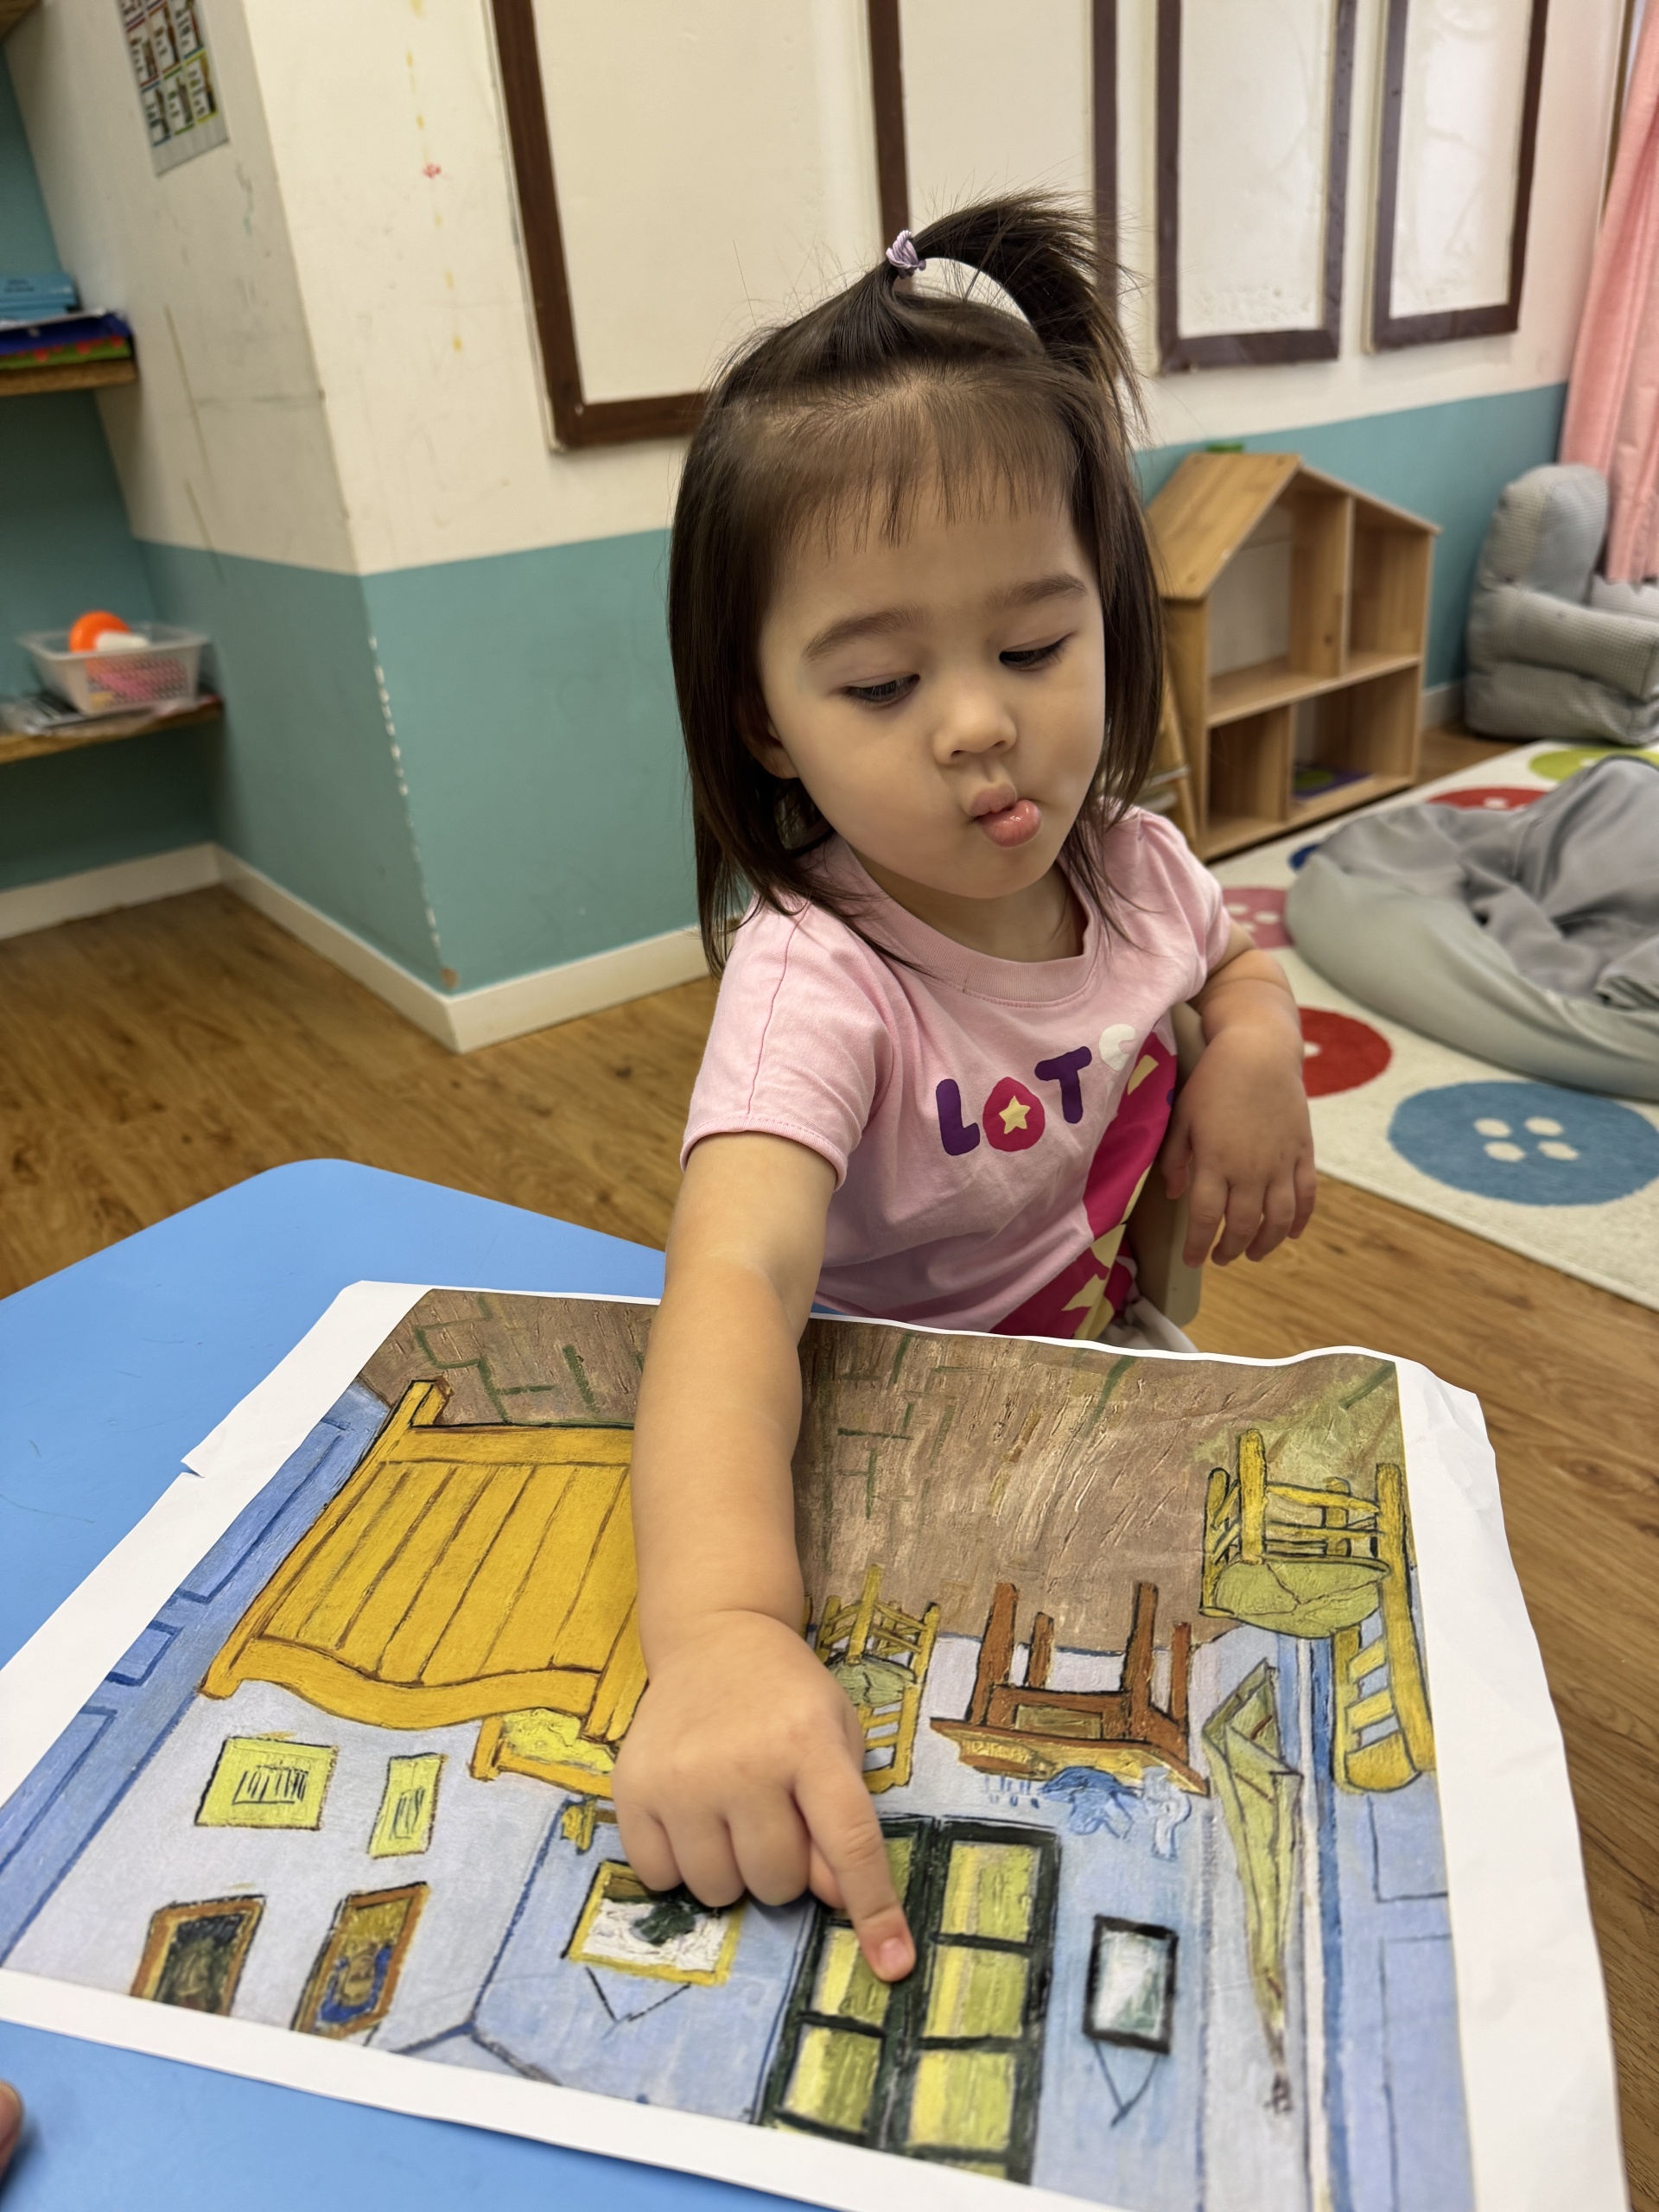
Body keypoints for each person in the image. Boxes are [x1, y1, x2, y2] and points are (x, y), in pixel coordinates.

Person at [612, 196, 1315, 1986]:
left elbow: (1230, 950)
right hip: (873, 1432)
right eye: (880, 680)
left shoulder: (1135, 867)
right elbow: (733, 1277)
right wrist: (718, 1628)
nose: (979, 724)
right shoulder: (817, 978)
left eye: (1033, 646)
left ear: (1108, 621)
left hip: (1094, 1362)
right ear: (765, 716)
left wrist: (1256, 1039)